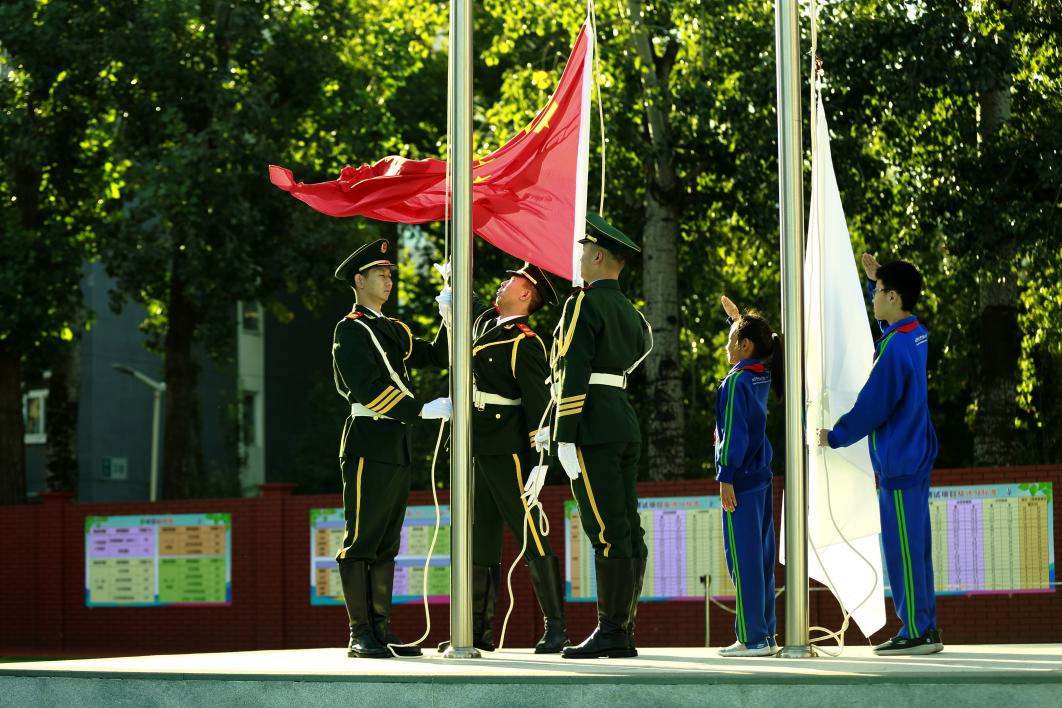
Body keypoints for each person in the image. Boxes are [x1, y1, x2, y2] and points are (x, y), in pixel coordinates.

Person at [434, 263, 570, 654]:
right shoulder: (487, 328)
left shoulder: (526, 341)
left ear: (526, 294)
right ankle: (477, 631)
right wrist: (453, 282)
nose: (502, 282)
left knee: (531, 533)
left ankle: (556, 627)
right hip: (477, 447)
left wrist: (542, 460)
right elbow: (471, 309)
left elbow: (539, 406)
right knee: (480, 540)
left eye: (510, 280)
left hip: (508, 450)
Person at [816, 254, 942, 656]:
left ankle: (918, 631)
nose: (873, 299)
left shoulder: (894, 349)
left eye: (878, 292)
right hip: (915, 457)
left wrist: (834, 436)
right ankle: (926, 626)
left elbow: (873, 406)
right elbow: (891, 321)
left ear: (894, 296)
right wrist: (877, 279)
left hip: (900, 463)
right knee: (916, 549)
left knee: (903, 550)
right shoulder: (915, 333)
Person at [331, 238, 451, 659]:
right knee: (362, 538)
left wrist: (448, 314)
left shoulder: (393, 328)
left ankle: (382, 630)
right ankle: (359, 632)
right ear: (359, 280)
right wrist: (421, 409)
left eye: (389, 273)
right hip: (369, 440)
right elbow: (368, 388)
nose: (388, 279)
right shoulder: (350, 329)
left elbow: (437, 356)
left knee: (386, 543)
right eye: (380, 274)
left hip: (396, 444)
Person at [551, 213, 653, 660]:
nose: (578, 259)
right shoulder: (631, 312)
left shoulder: (583, 303)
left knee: (608, 531)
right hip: (621, 420)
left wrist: (563, 433)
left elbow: (573, 369)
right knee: (627, 527)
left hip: (590, 425)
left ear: (596, 256)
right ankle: (623, 628)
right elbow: (640, 349)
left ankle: (613, 630)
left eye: (581, 252)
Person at [714, 296, 781, 657]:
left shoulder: (736, 383)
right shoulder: (761, 375)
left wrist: (725, 476)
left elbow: (731, 433)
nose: (726, 345)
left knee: (743, 562)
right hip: (761, 479)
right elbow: (751, 344)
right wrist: (738, 321)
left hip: (740, 481)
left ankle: (752, 637)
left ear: (745, 345)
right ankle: (766, 634)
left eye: (732, 339)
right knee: (761, 561)